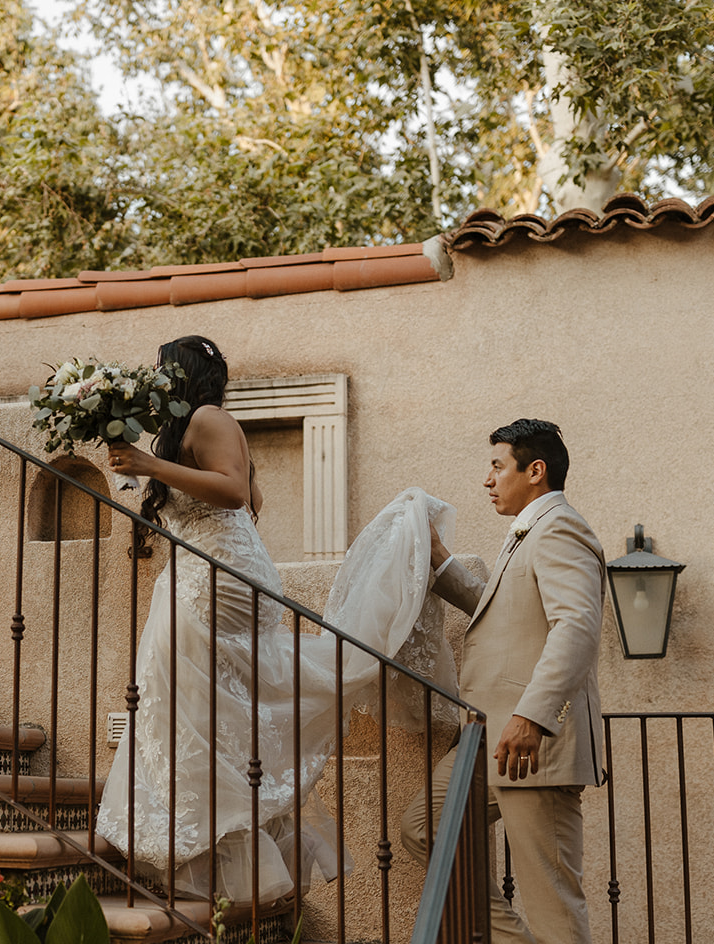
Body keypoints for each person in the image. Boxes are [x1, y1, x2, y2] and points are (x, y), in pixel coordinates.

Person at [93, 334, 459, 905]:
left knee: (181, 691)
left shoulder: (210, 417)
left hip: (214, 574)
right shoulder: (200, 428)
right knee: (197, 699)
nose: (155, 382)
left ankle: (178, 831)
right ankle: (190, 834)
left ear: (181, 374)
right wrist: (137, 463)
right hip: (214, 565)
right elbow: (251, 494)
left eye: (162, 372)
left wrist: (149, 462)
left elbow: (237, 493)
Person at [400, 418, 606, 944]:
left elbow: (578, 624)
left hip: (530, 743)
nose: (486, 479)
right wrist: (441, 565)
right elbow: (500, 613)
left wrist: (533, 715)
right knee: (421, 826)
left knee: (557, 906)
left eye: (497, 466)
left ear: (534, 469)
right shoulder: (524, 536)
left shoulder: (562, 526)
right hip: (488, 743)